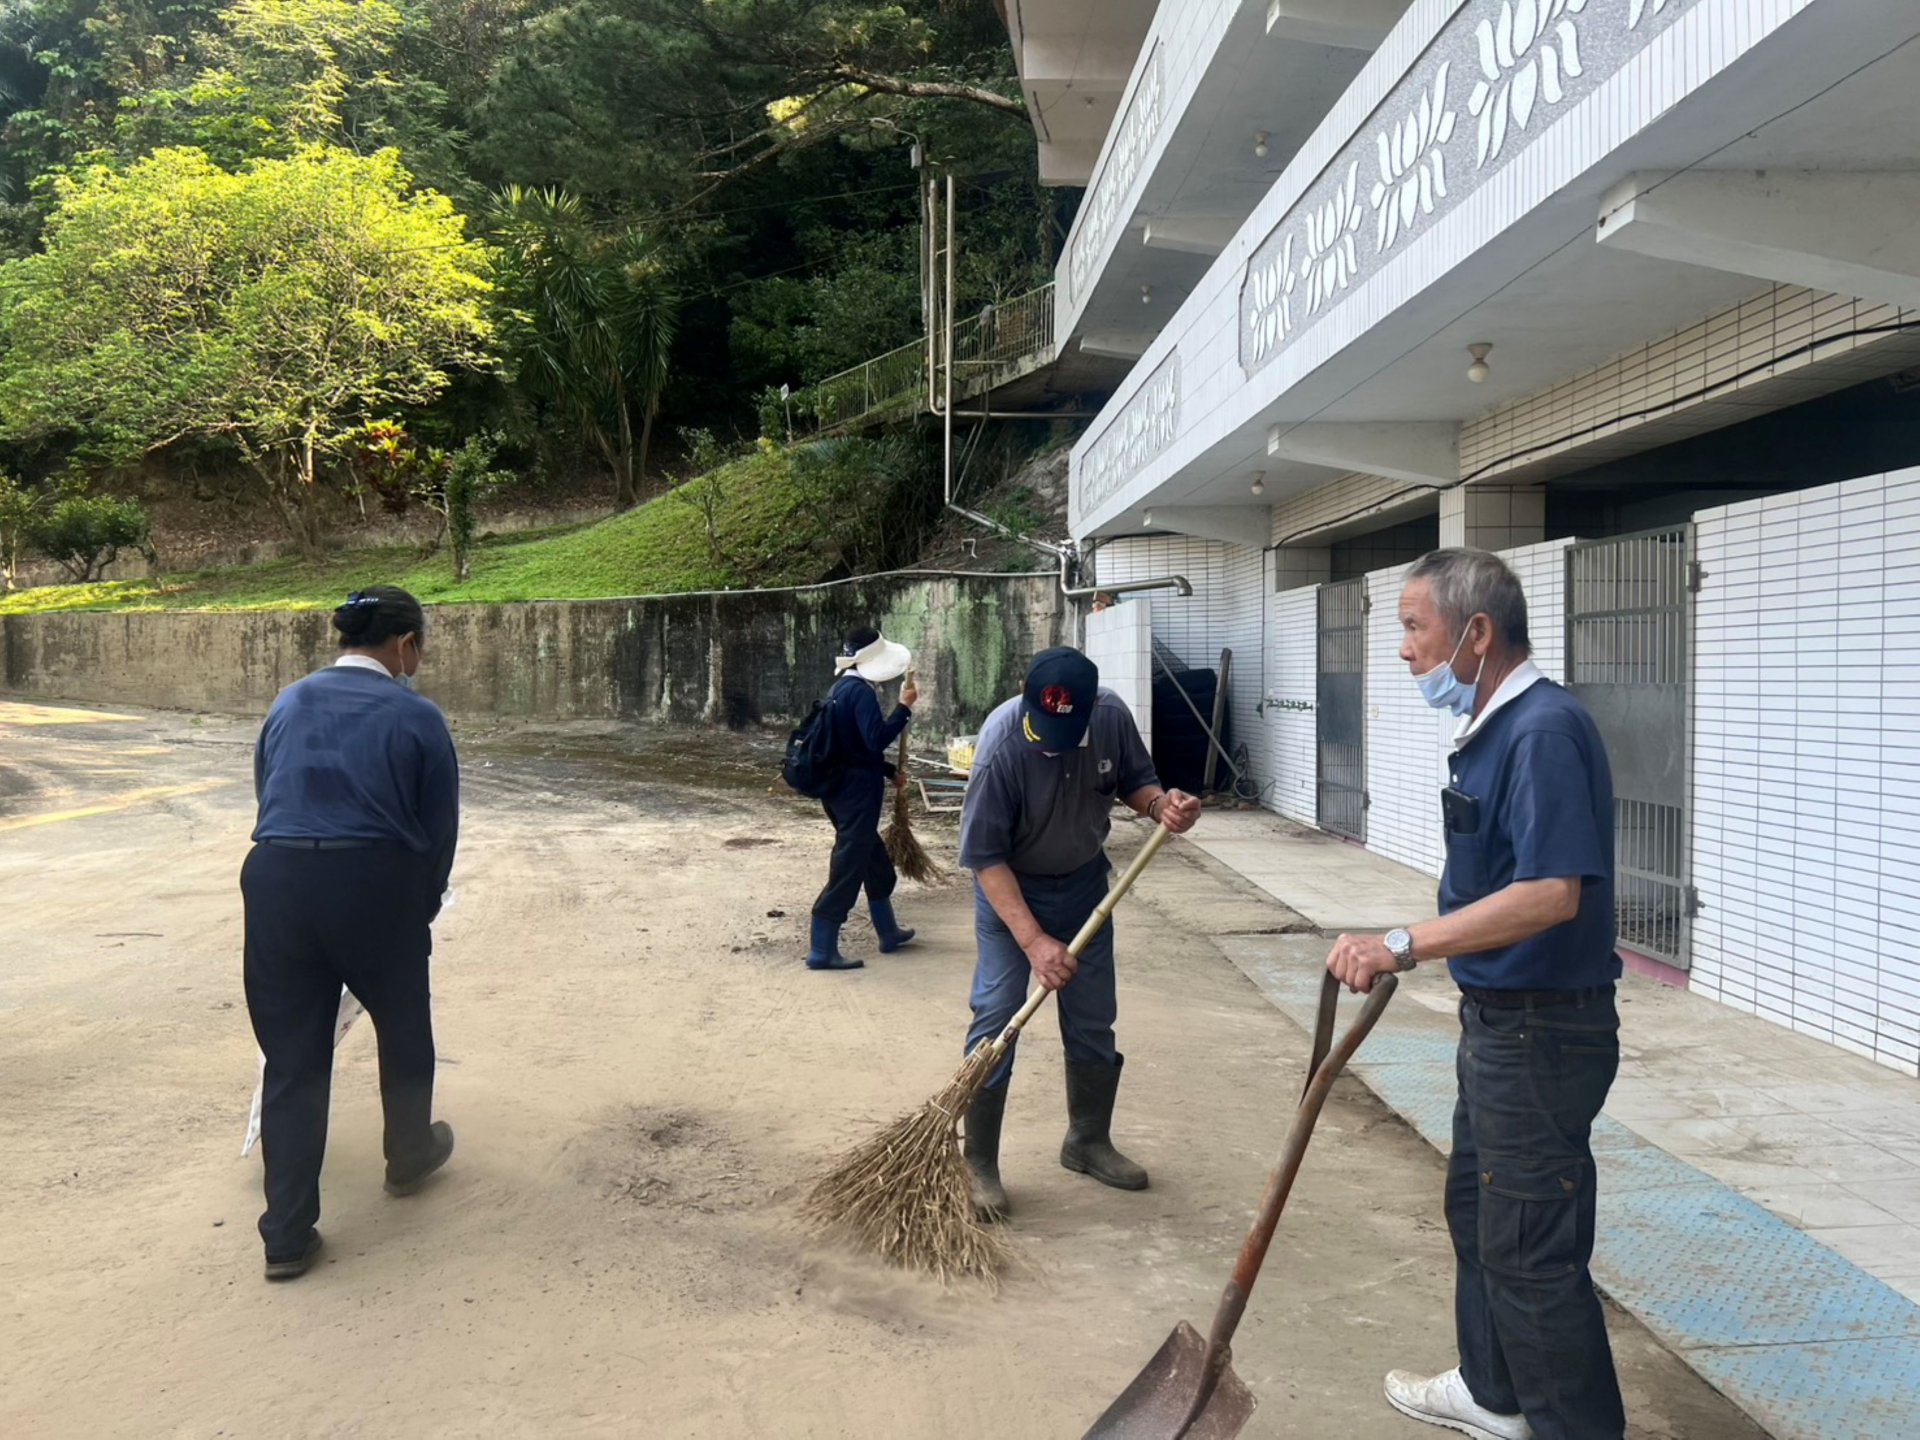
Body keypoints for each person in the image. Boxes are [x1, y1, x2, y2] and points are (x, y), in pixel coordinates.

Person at [1324, 549, 1625, 1440]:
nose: (1406, 651)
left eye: (1416, 628)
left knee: (1531, 1252)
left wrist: (1400, 945)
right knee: (1479, 1212)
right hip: (1500, 1026)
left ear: (1477, 632)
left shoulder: (1539, 732)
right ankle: (1495, 1394)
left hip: (1542, 1034)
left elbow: (1549, 894)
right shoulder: (1496, 726)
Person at [241, 587, 460, 1281]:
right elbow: (437, 834)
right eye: (419, 646)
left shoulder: (289, 700)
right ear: (403, 645)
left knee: (293, 1056)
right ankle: (407, 1157)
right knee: (403, 1024)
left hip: (276, 879)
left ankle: (286, 1235)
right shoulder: (417, 716)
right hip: (374, 884)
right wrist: (414, 911)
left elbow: (267, 790)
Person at [957, 646, 1200, 1218]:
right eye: (1043, 729)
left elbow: (1137, 781)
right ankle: (979, 1162)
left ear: (1090, 711)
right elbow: (985, 858)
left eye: (1065, 731)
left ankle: (1087, 1142)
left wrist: (1162, 806)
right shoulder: (1002, 747)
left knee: (1093, 1017)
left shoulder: (1111, 717)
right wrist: (1034, 942)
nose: (1051, 741)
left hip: (1087, 888)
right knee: (996, 1013)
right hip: (1012, 894)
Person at [805, 625, 920, 972]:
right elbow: (875, 738)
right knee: (848, 866)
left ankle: (888, 932)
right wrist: (903, 709)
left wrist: (887, 772)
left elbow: (853, 747)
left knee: (876, 863)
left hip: (841, 789)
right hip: (855, 796)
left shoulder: (840, 687)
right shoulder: (861, 693)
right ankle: (821, 949)